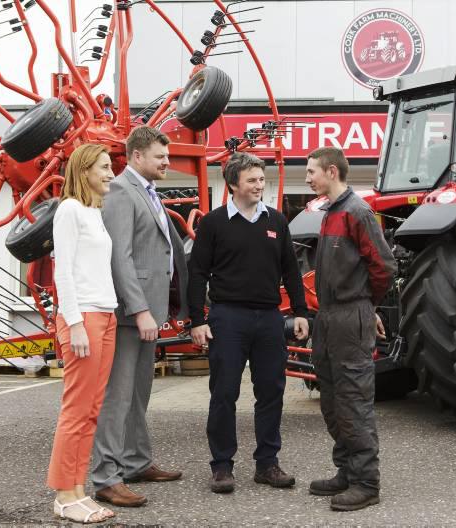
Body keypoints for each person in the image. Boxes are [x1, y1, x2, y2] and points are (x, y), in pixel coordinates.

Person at [187, 152, 309, 494]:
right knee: (224, 393)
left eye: (261, 179)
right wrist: (197, 320)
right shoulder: (213, 223)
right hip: (227, 318)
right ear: (232, 185)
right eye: (252, 180)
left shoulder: (276, 221)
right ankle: (221, 466)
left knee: (271, 391)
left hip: (269, 318)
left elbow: (291, 270)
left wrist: (300, 311)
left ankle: (267, 463)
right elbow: (197, 274)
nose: (259, 185)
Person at [91, 126, 188, 507]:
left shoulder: (147, 191)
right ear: (136, 156)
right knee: (118, 398)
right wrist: (141, 309)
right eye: (160, 157)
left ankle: (136, 461)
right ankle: (106, 477)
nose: (167, 162)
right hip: (131, 314)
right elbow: (120, 256)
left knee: (139, 394)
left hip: (150, 311)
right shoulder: (120, 191)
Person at [304, 146, 397, 511]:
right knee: (331, 400)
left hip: (348, 316)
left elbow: (384, 268)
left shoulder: (358, 212)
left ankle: (366, 483)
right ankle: (346, 470)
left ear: (331, 171)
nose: (308, 178)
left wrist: (364, 306)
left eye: (312, 171)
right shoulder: (331, 212)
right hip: (328, 318)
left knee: (353, 401)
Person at [47, 143, 118, 524]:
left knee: (91, 410)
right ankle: (63, 494)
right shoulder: (69, 210)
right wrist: (74, 323)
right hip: (84, 318)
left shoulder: (94, 211)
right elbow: (63, 271)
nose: (110, 173)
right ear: (84, 169)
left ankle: (77, 490)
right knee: (76, 409)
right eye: (104, 167)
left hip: (105, 314)